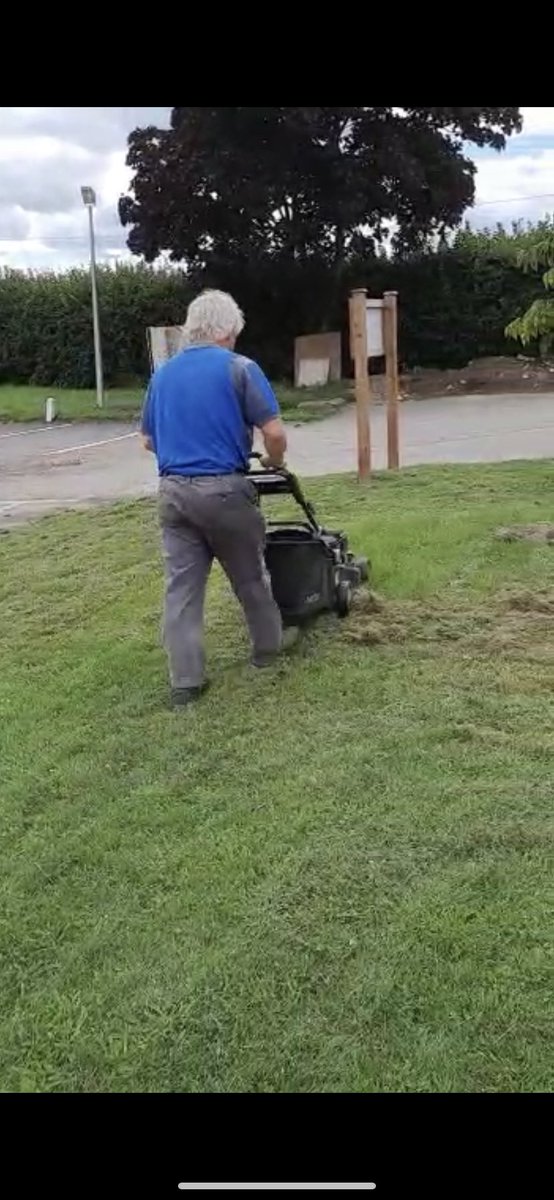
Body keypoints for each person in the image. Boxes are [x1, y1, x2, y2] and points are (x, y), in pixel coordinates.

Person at [141, 288, 291, 708]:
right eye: (236, 333)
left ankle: (186, 682)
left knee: (182, 589)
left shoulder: (163, 375)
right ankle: (267, 650)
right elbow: (275, 433)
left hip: (172, 493)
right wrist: (274, 462)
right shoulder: (240, 368)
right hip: (225, 489)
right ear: (227, 329)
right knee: (249, 575)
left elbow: (148, 440)